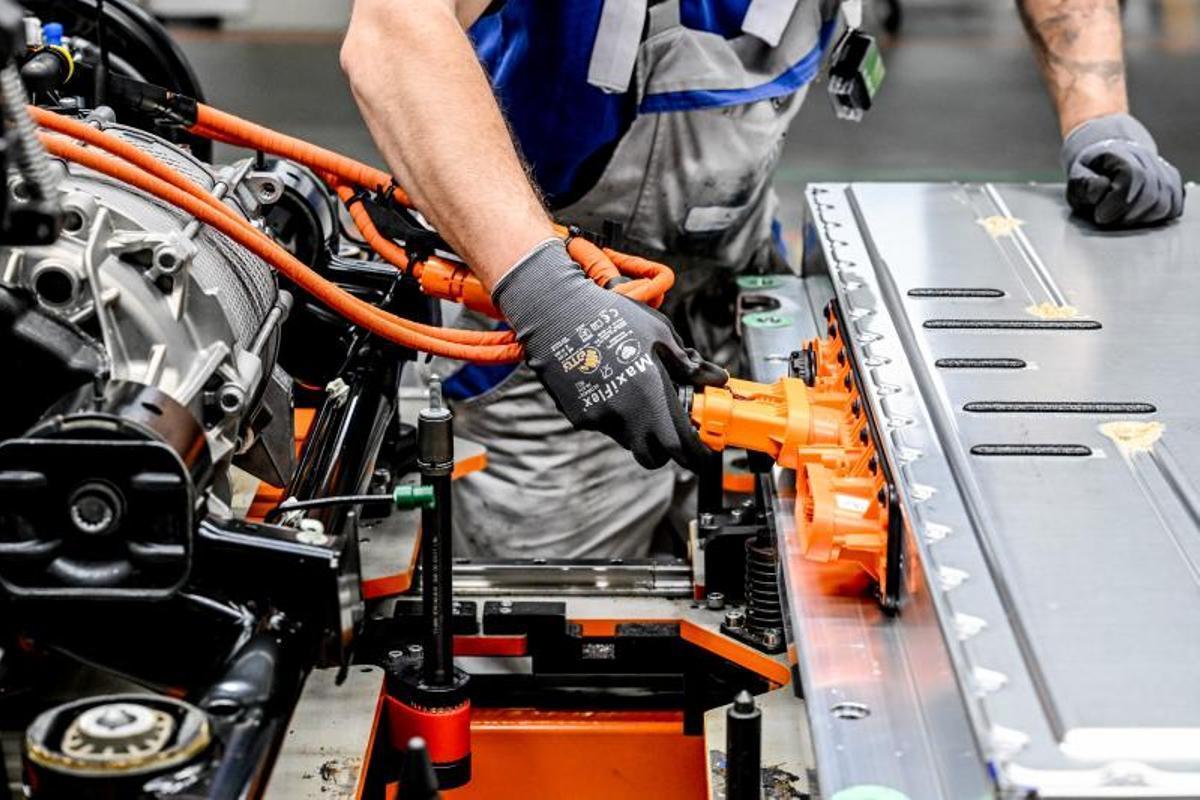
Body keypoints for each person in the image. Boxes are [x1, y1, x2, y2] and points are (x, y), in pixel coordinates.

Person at [341, 0, 1184, 558]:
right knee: (565, 638)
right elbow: (392, 33)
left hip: (738, 288)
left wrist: (1097, 112)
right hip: (540, 331)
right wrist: (549, 296)